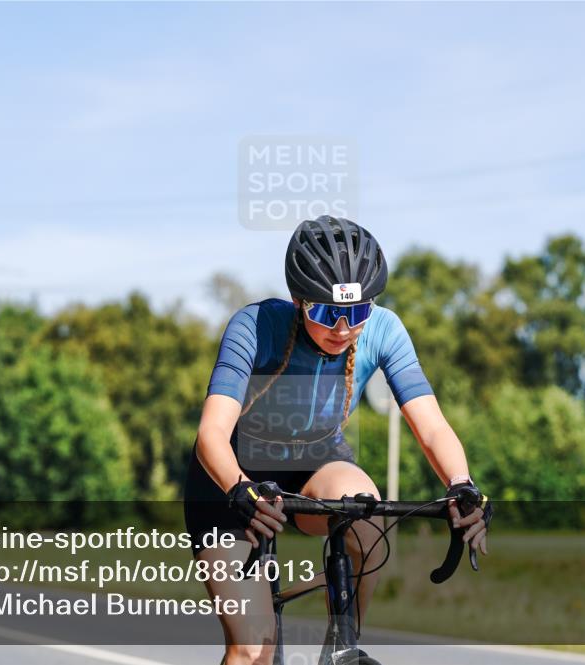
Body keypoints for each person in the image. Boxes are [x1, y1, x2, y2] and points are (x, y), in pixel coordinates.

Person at [183, 216, 492, 665]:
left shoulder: (385, 330)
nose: (343, 328)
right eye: (327, 313)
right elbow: (210, 434)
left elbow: (431, 426)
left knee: (365, 511)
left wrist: (461, 484)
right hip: (232, 475)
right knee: (252, 648)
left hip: (315, 465)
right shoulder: (255, 325)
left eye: (358, 312)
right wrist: (239, 488)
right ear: (298, 300)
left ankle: (340, 649)